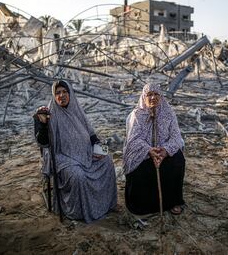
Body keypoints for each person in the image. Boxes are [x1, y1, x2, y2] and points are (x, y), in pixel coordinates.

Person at [34, 80, 117, 223]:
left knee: (108, 161)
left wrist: (100, 149)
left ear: (70, 93)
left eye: (65, 92)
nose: (62, 95)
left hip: (86, 153)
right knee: (78, 176)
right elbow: (43, 142)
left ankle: (106, 205)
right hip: (63, 157)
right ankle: (81, 212)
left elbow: (91, 134)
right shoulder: (48, 114)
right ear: (54, 96)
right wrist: (42, 124)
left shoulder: (77, 110)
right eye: (58, 93)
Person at [123, 83, 186, 215]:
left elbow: (176, 137)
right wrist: (149, 151)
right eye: (149, 94)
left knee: (178, 159)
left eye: (156, 94)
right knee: (138, 164)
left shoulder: (168, 113)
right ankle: (142, 206)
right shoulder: (137, 115)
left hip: (163, 151)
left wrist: (165, 151)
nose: (153, 98)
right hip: (144, 153)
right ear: (143, 97)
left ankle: (173, 201)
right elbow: (133, 140)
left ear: (161, 96)